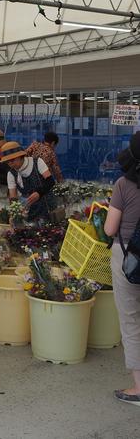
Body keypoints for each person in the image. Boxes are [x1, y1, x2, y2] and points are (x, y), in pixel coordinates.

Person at [104, 131, 140, 407]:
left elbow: (109, 228)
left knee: (131, 320)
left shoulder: (124, 185)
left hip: (130, 258)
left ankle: (139, 388)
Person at [1, 141, 56, 222]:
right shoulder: (11, 174)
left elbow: (50, 181)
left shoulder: (37, 162)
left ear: (20, 156)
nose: (10, 163)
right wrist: (14, 213)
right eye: (7, 161)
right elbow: (13, 198)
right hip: (30, 212)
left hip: (47, 207)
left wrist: (39, 193)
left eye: (12, 160)